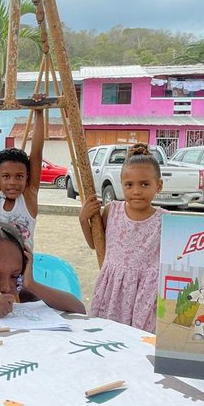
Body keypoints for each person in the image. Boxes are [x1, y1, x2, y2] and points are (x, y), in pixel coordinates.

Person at [77, 143, 163, 333]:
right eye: (129, 185)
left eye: (144, 184)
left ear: (159, 185)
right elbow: (95, 245)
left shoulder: (165, 219)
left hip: (145, 294)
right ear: (121, 184)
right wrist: (84, 219)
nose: (136, 191)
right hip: (112, 290)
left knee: (139, 342)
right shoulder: (112, 211)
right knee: (109, 335)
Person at [0, 94, 44, 244]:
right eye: (6, 176)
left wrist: (39, 112)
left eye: (19, 176)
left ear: (27, 177)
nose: (13, 182)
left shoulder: (29, 196)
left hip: (21, 267)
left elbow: (37, 153)